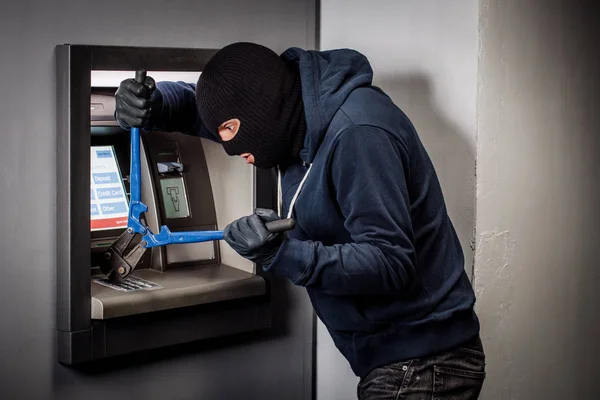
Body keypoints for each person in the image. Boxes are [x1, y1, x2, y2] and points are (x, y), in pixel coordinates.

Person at [115, 42, 486, 399]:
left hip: (426, 361)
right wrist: (157, 105)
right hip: (403, 357)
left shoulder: (358, 134)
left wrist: (282, 254)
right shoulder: (293, 117)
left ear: (262, 112)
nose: (227, 147)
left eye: (229, 130)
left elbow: (391, 262)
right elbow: (211, 112)